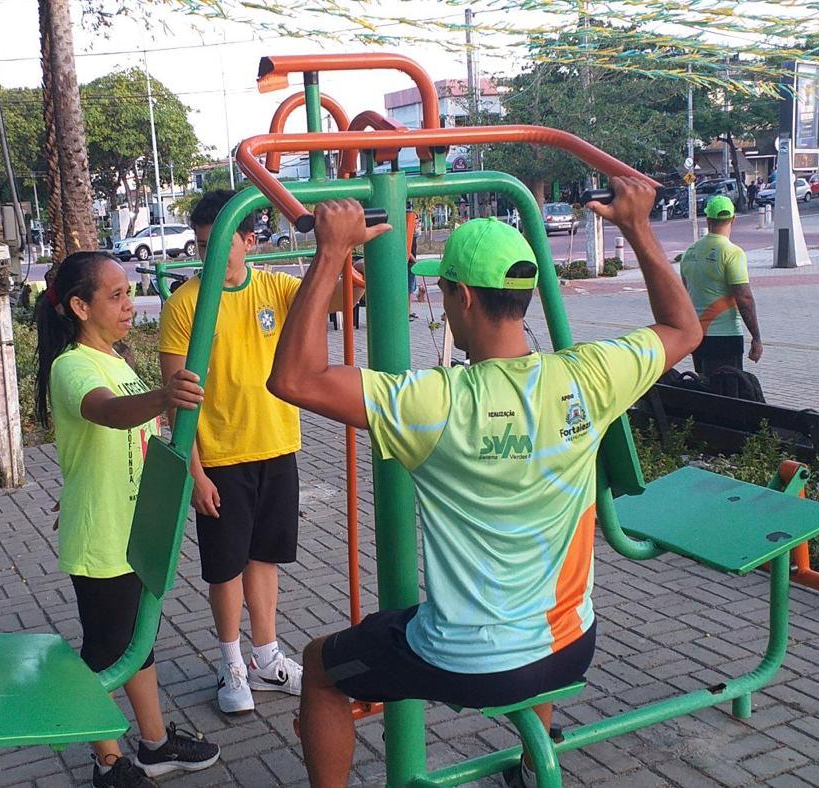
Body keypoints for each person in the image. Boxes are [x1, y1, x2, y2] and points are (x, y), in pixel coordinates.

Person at [266, 179, 702, 788]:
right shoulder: (591, 376)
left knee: (319, 666)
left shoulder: (434, 402)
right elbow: (684, 330)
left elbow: (294, 378)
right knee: (528, 618)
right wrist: (638, 227)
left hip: (466, 661)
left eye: (443, 293)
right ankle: (529, 769)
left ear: (463, 296)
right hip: (571, 645)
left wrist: (331, 254)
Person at [158, 190, 362, 715]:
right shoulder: (185, 304)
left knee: (265, 557)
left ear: (248, 241)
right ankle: (231, 662)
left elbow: (344, 296)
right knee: (224, 567)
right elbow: (177, 403)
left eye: (219, 244)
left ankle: (267, 656)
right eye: (202, 245)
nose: (208, 255)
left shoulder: (275, 287)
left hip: (275, 446)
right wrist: (195, 473)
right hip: (221, 457)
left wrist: (341, 249)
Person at [35, 251, 220, 787]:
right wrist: (164, 396)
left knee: (138, 643)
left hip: (134, 531)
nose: (129, 305)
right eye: (115, 296)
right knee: (104, 652)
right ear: (80, 307)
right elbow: (107, 413)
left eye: (129, 292)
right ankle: (108, 762)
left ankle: (156, 744)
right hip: (102, 538)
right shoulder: (73, 365)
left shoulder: (116, 360)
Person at [680, 194, 763, 376]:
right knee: (727, 390)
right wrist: (756, 337)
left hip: (697, 336)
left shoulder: (689, 253)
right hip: (725, 336)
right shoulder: (732, 253)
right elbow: (744, 298)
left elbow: (685, 295)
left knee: (705, 387)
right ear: (733, 219)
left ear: (708, 220)